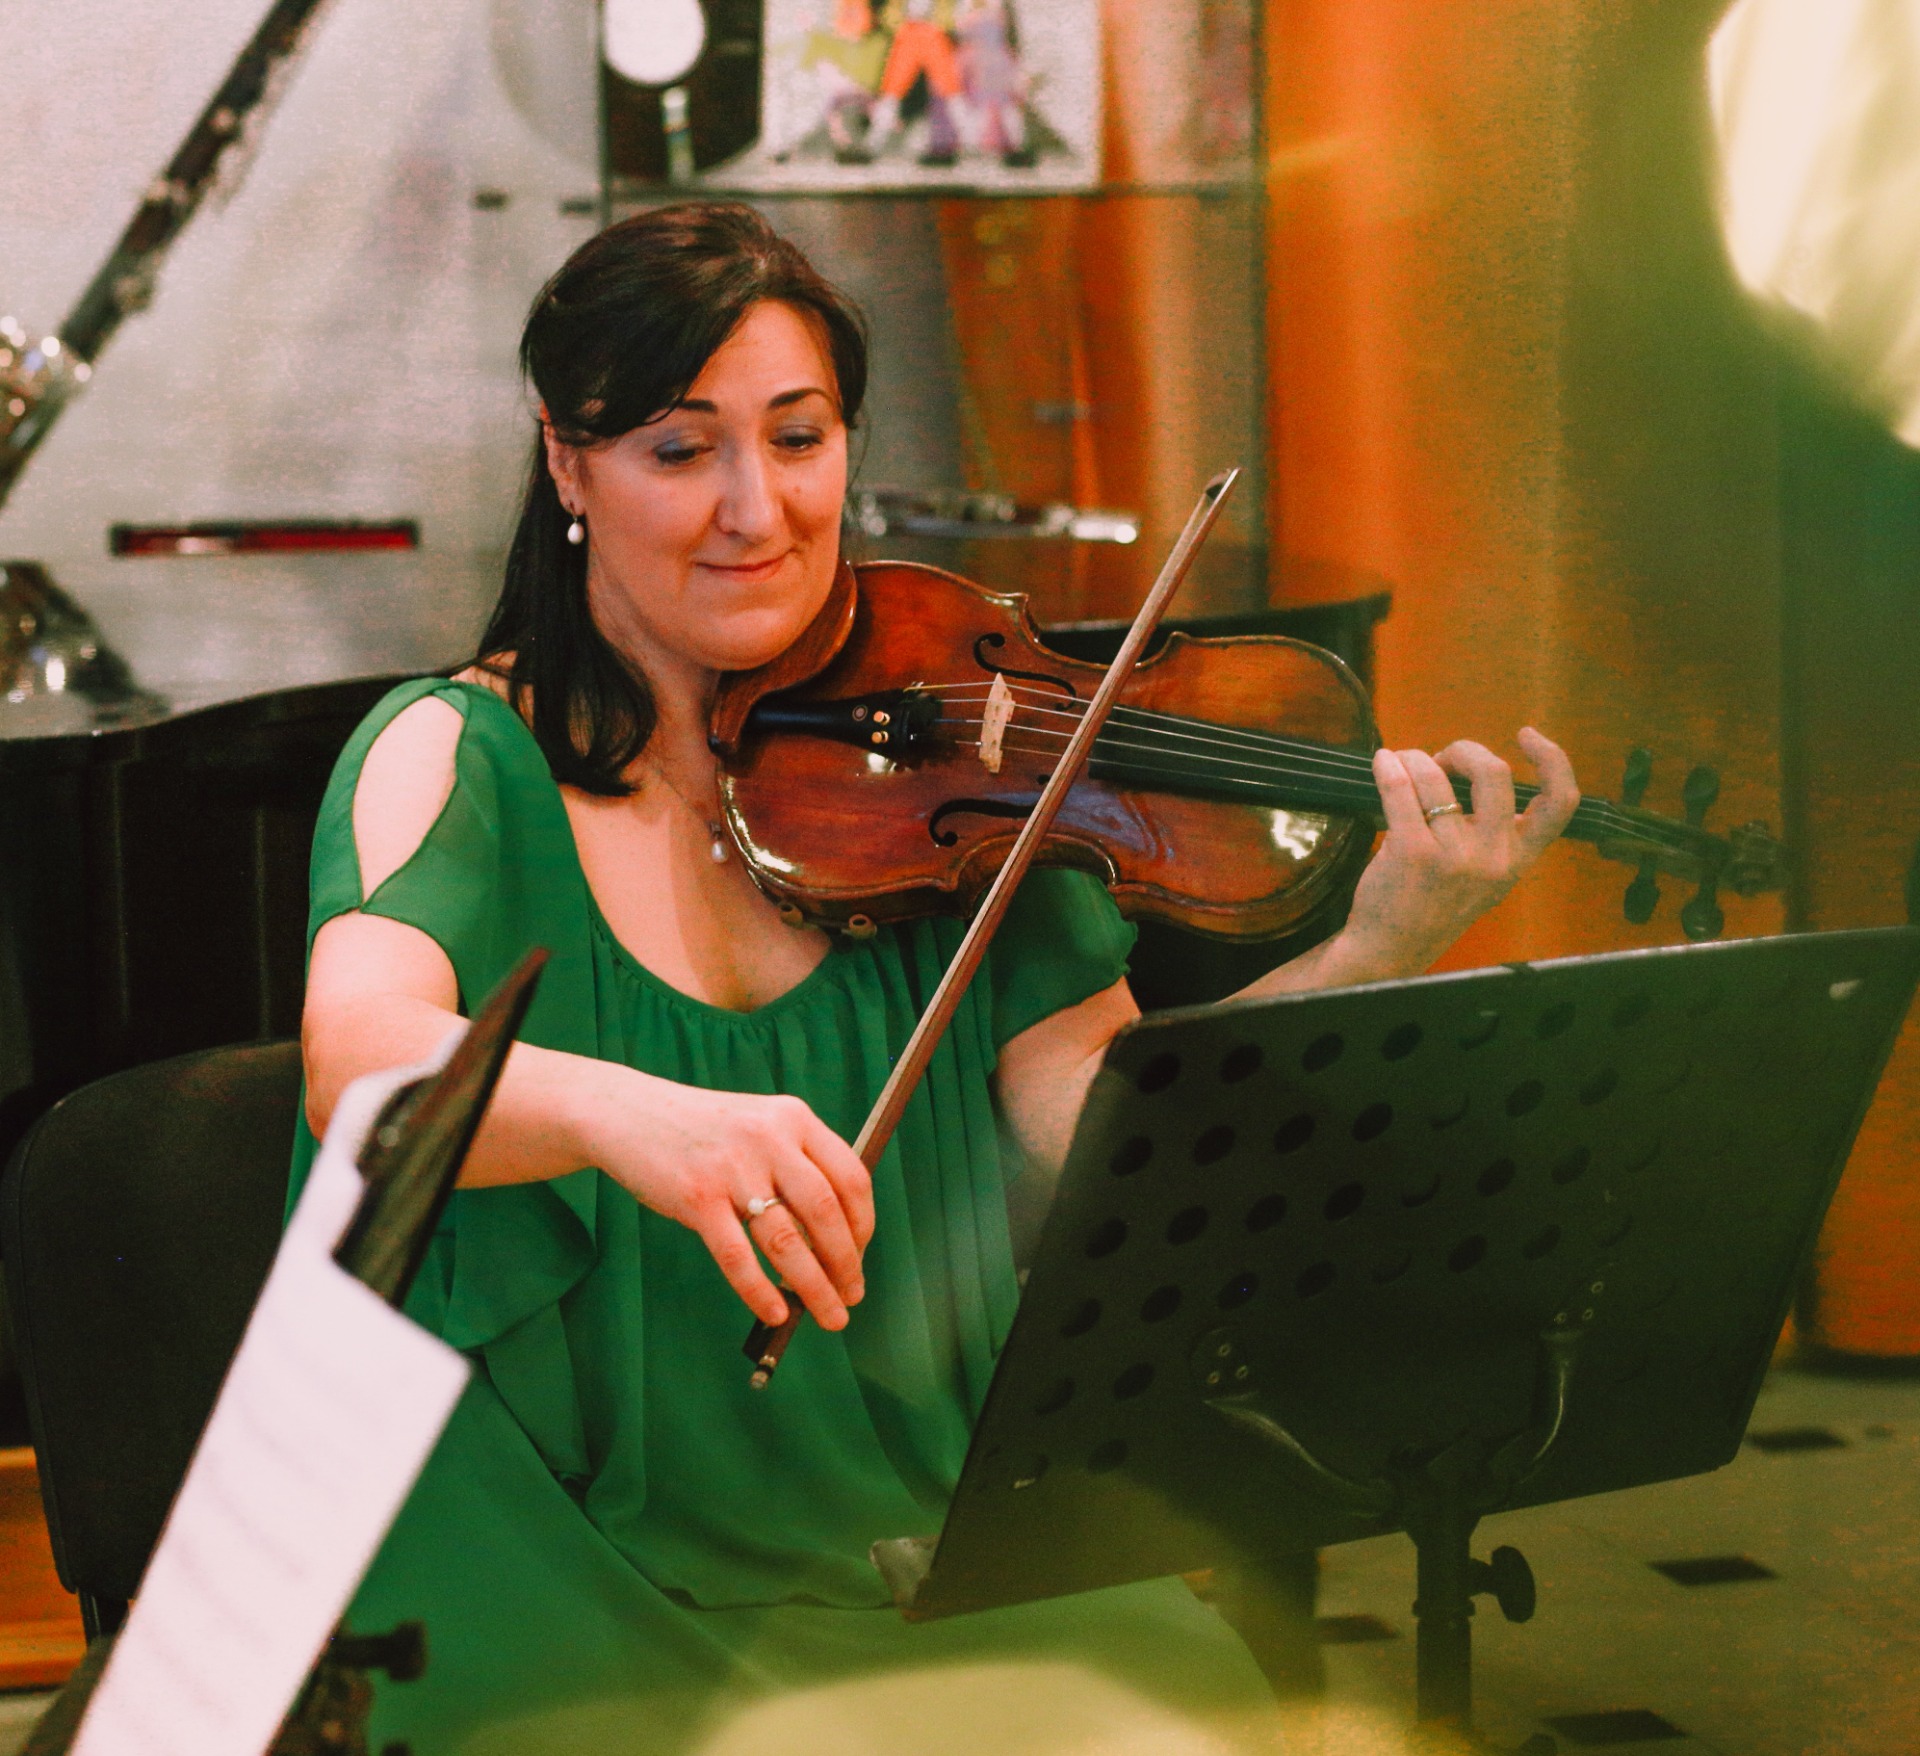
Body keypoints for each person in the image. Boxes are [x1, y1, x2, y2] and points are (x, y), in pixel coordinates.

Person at [295, 202, 1579, 1755]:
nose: (756, 509)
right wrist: (644, 1119)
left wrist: (1374, 944)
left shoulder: (952, 775)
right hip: (538, 1545)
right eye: (680, 450)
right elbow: (359, 1061)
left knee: (1205, 1712)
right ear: (568, 467)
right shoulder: (455, 754)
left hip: (895, 1544)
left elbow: (1117, 1146)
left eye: (799, 438)